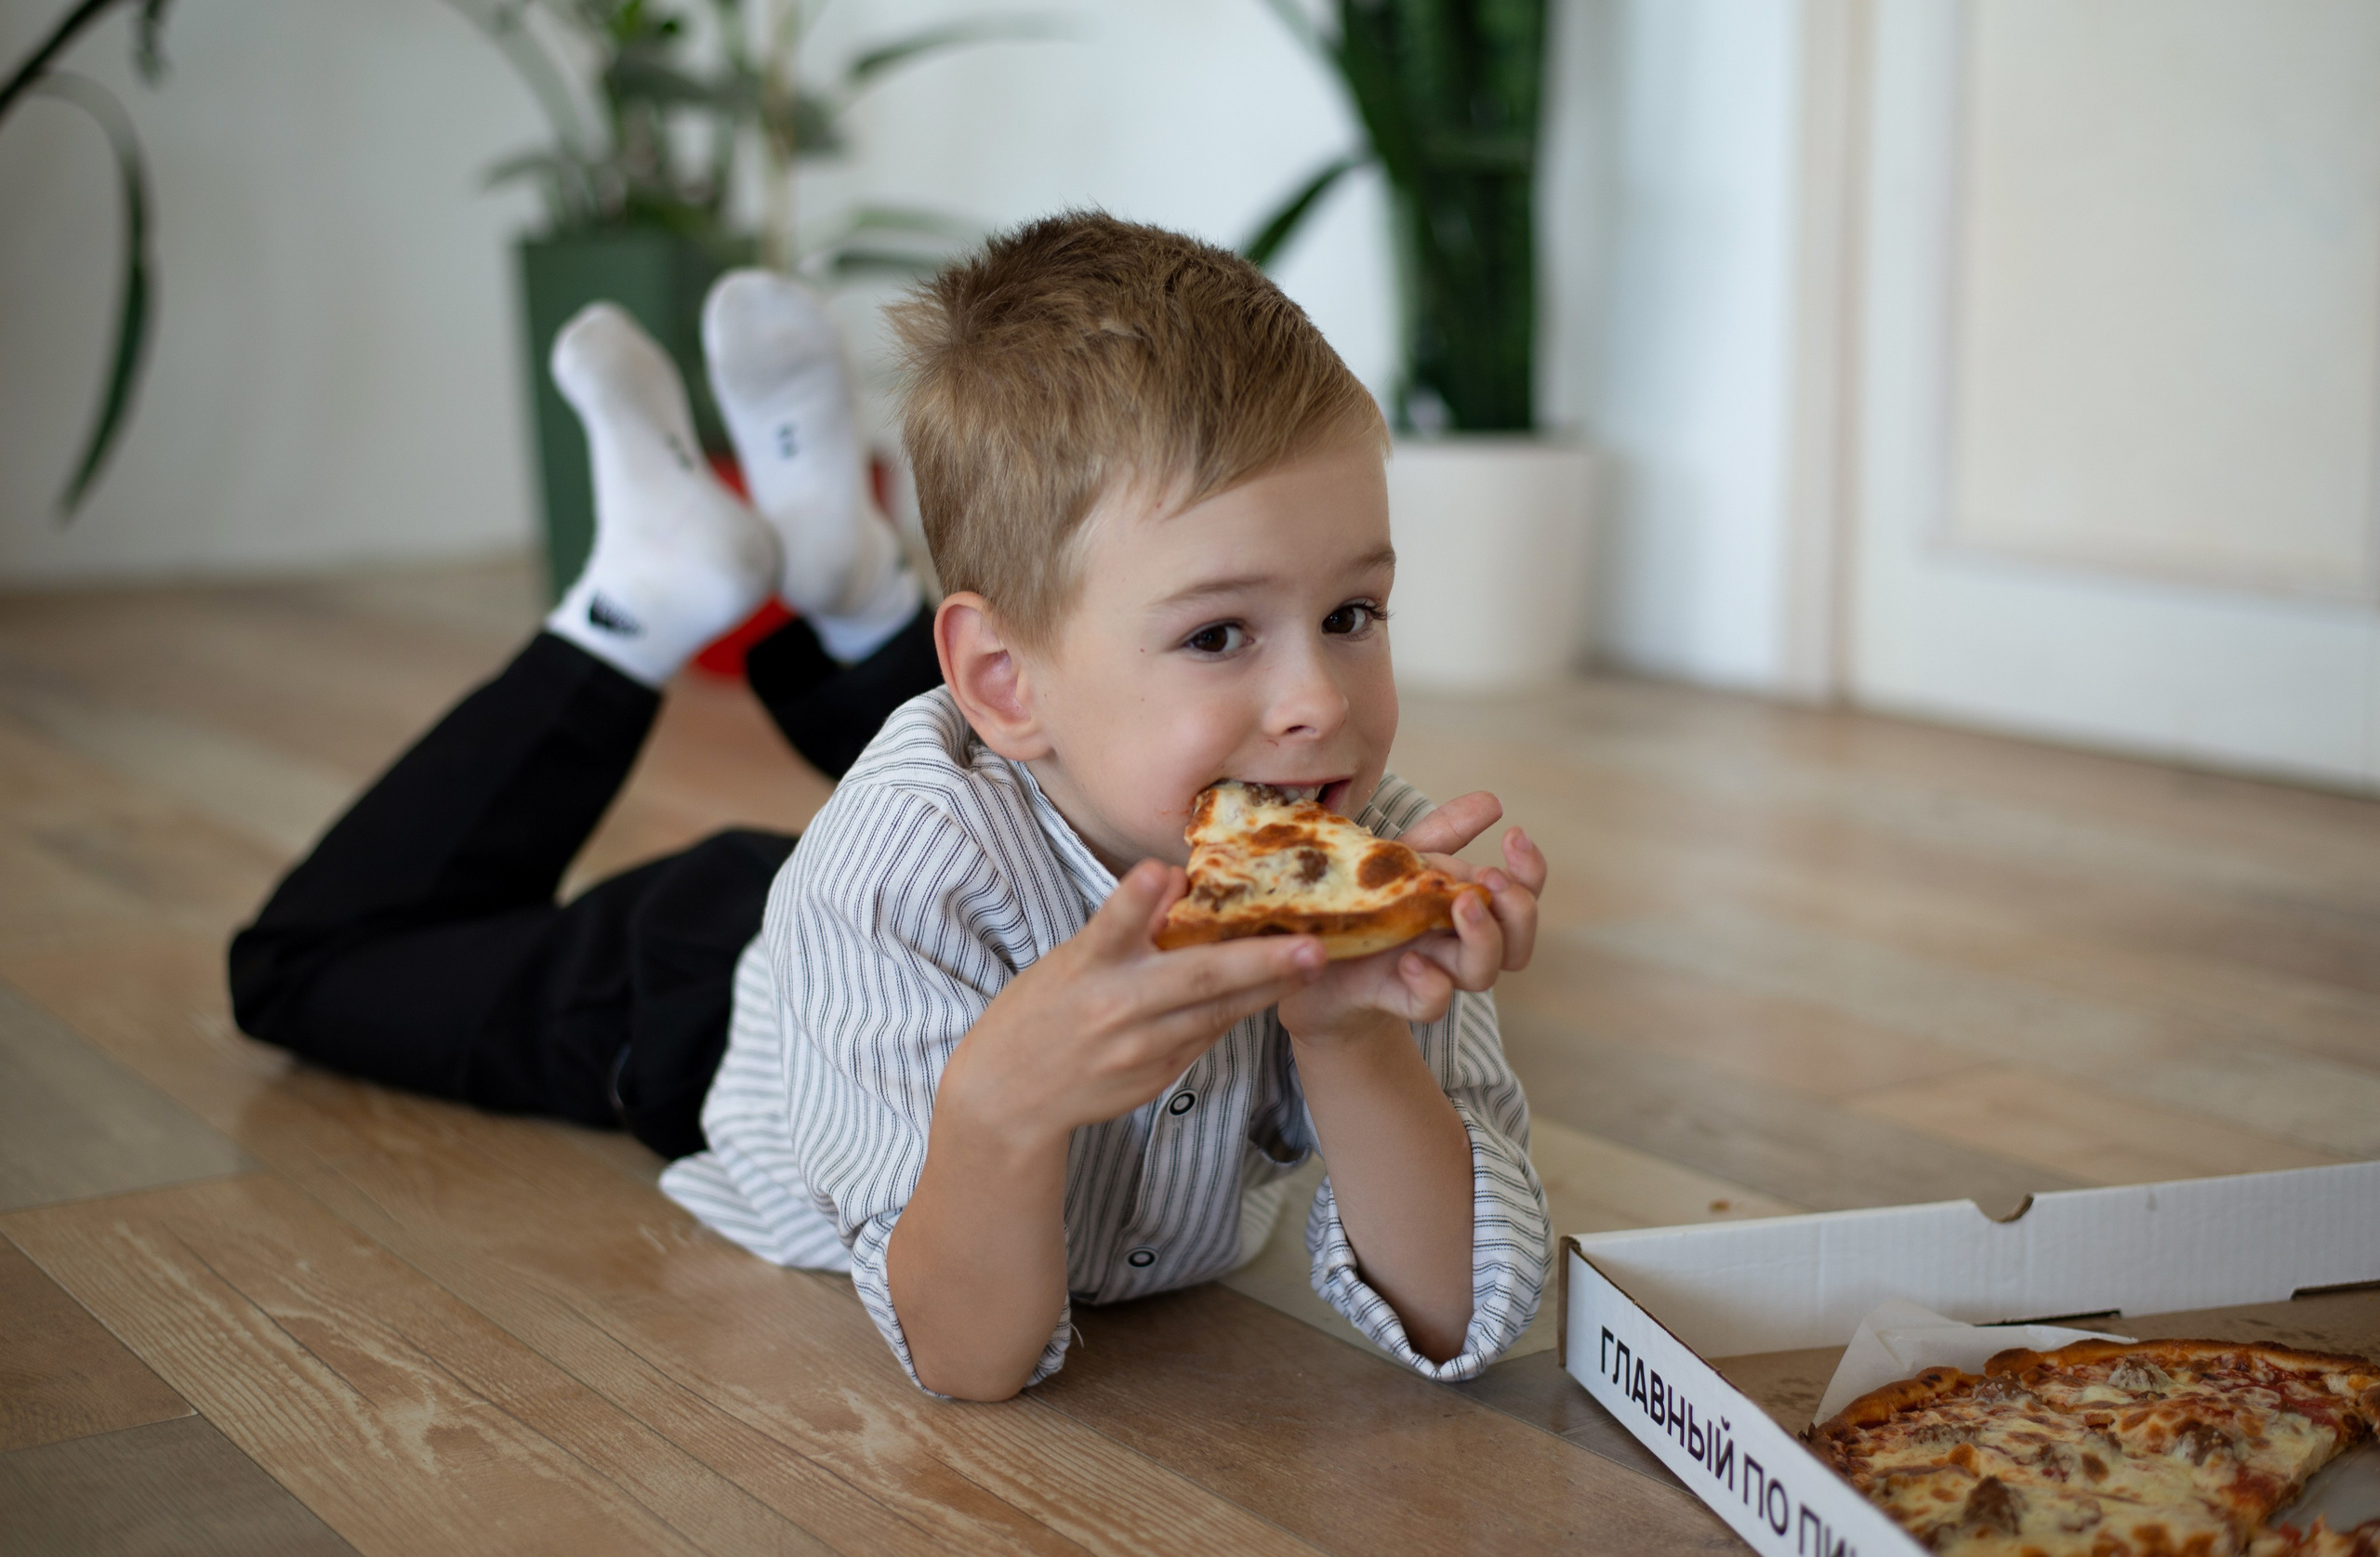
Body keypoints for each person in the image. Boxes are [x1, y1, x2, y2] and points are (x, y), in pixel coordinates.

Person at [232, 212, 1551, 1404]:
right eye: (1219, 634)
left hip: (981, 787)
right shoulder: (891, 873)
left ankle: (837, 550)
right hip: (695, 985)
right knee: (297, 972)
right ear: (996, 675)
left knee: (1055, 721)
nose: (1320, 698)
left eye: (1353, 613)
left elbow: (1462, 1317)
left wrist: (1352, 1041)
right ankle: (638, 596)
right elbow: (968, 1355)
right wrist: (998, 1109)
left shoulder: (1367, 850)